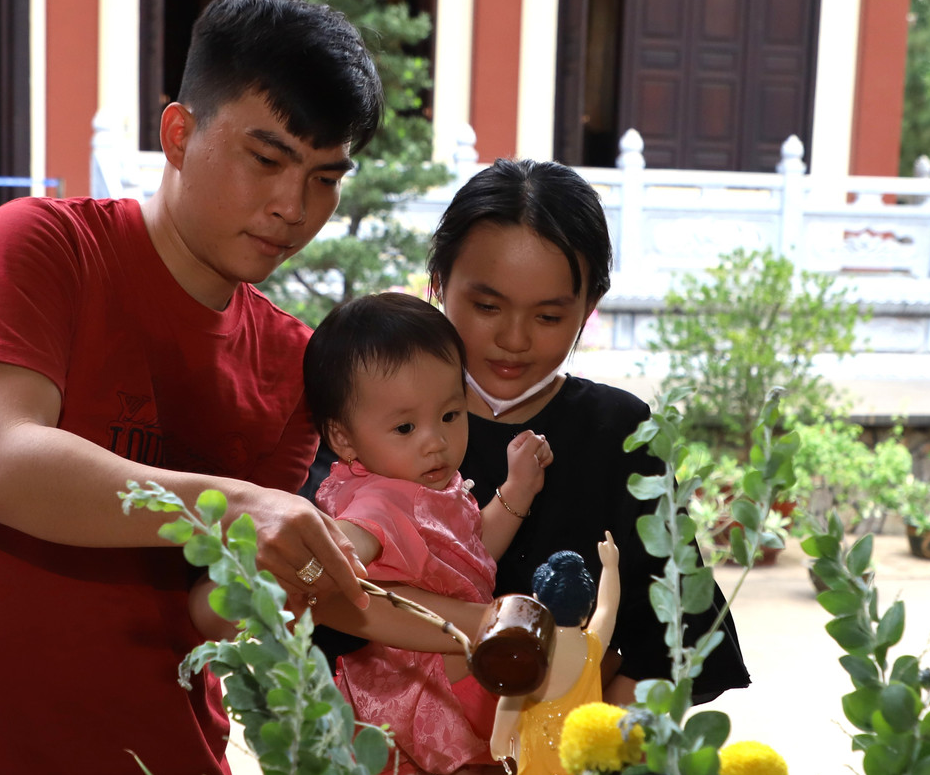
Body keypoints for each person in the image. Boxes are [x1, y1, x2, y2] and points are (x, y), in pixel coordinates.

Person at [0, 0, 382, 775]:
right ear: (179, 134)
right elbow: (1, 464)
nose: (294, 206)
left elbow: (204, 609)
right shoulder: (42, 247)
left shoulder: (292, 363)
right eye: (267, 158)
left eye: (324, 178)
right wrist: (239, 507)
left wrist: (306, 573)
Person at [309, 159, 748, 722]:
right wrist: (503, 630)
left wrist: (576, 746)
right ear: (438, 282)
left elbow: (676, 632)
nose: (513, 339)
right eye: (487, 306)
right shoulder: (362, 417)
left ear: (589, 307)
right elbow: (320, 589)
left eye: (548, 317)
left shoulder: (621, 431)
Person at [295, 292, 551, 775]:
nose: (436, 441)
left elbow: (471, 556)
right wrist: (334, 547)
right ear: (343, 439)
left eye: (451, 414)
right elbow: (354, 536)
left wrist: (516, 492)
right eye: (406, 427)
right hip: (415, 683)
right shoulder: (382, 500)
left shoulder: (424, 485)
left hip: (437, 673)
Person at [490, 536, 620, 775]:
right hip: (582, 760)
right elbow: (608, 608)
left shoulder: (529, 656)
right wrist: (610, 567)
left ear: (538, 603)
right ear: (586, 609)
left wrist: (499, 741)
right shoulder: (593, 647)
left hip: (538, 758)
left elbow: (509, 703)